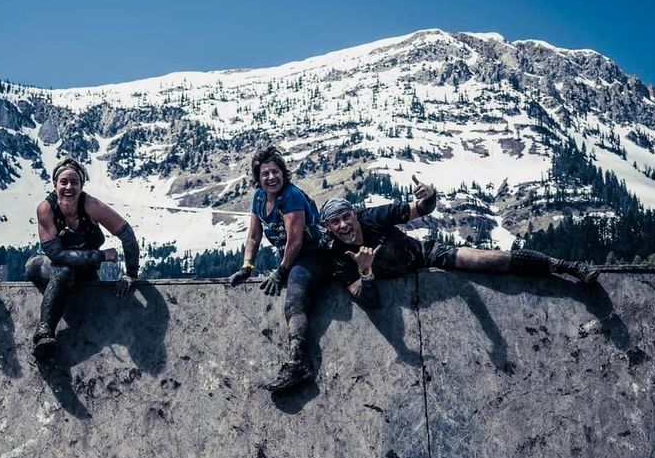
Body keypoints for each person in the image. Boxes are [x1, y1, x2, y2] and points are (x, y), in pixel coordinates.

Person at [321, 174, 599, 309]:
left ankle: (567, 266)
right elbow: (368, 301)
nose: (344, 225)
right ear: (329, 228)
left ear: (354, 214)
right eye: (336, 222)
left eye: (346, 217)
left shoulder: (373, 216)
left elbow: (421, 208)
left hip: (426, 254)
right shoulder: (337, 257)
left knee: (488, 259)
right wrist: (366, 271)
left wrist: (429, 195)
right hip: (399, 282)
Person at [227, 146, 329, 393]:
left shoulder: (291, 196)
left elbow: (296, 240)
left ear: (284, 174)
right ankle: (297, 363)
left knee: (294, 304)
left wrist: (282, 271)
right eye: (265, 174)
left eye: (276, 172)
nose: (271, 177)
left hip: (315, 254)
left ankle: (299, 365)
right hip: (295, 257)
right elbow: (253, 235)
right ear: (258, 179)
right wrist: (247, 266)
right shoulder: (259, 198)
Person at [25, 157, 140, 359]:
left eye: (74, 182)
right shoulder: (46, 208)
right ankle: (44, 332)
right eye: (64, 182)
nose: (69, 187)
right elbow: (56, 255)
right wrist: (100, 256)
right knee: (63, 270)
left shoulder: (92, 206)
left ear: (81, 185)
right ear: (55, 185)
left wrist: (131, 275)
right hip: (46, 264)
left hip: (82, 271)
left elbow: (126, 234)